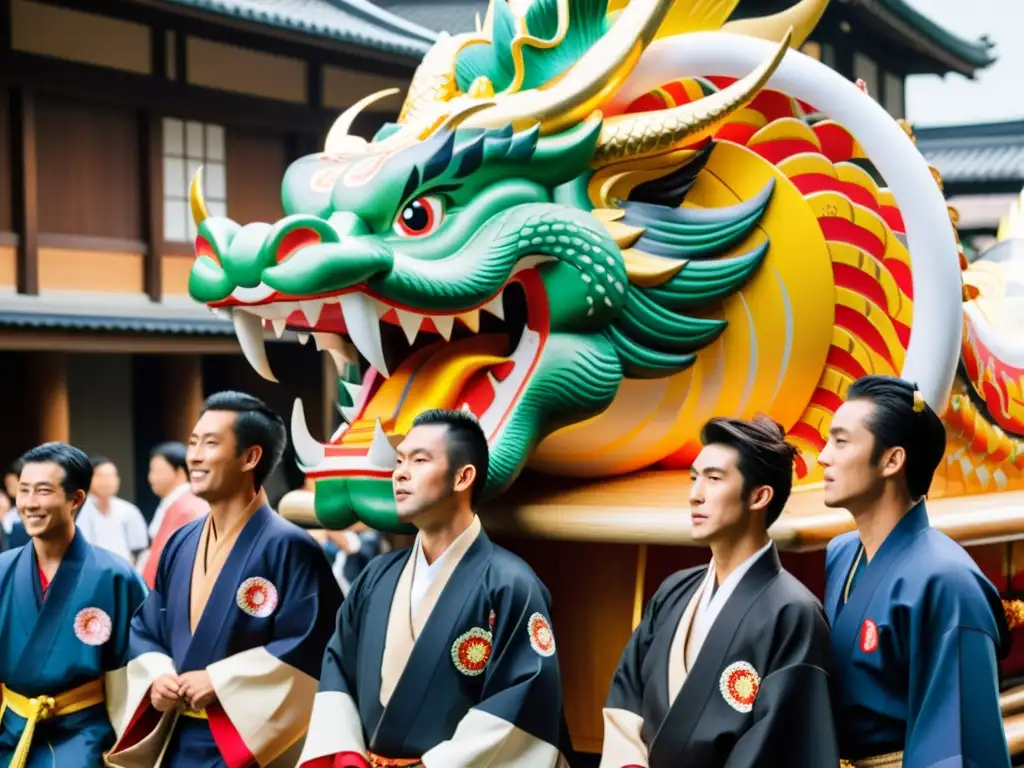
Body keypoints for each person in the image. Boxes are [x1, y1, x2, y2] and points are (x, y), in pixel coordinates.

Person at [298, 409, 573, 767]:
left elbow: (525, 702)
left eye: (419, 460)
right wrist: (348, 753)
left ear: (463, 477)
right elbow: (337, 667)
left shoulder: (510, 585)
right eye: (399, 461)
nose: (400, 473)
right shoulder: (376, 576)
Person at [104, 391, 343, 768]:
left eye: (210, 443)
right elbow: (146, 626)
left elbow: (312, 645)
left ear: (250, 457)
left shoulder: (292, 547)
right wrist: (159, 675)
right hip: (177, 736)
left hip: (242, 744)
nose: (194, 456)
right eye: (193, 443)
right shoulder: (182, 540)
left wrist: (221, 679)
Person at [601, 416, 839, 767]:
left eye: (713, 479)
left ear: (759, 496)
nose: (695, 495)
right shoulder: (674, 592)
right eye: (694, 478)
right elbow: (626, 696)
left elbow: (782, 744)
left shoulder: (794, 613)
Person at [819, 375, 1012, 767]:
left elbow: (959, 741)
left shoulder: (948, 581)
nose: (823, 456)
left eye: (840, 441)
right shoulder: (841, 554)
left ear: (892, 460)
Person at [0, 442, 147, 767]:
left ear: (76, 499)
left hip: (85, 735)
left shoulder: (114, 575)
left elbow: (142, 666)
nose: (29, 504)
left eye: (42, 491)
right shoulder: (2, 570)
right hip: (9, 730)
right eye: (23, 491)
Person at [140, 441, 208, 589]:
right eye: (151, 471)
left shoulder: (187, 507)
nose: (151, 477)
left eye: (158, 471)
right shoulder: (175, 502)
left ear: (180, 472)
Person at [76, 456, 150, 567]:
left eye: (111, 476)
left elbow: (139, 549)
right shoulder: (79, 509)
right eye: (101, 476)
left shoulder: (129, 510)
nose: (107, 481)